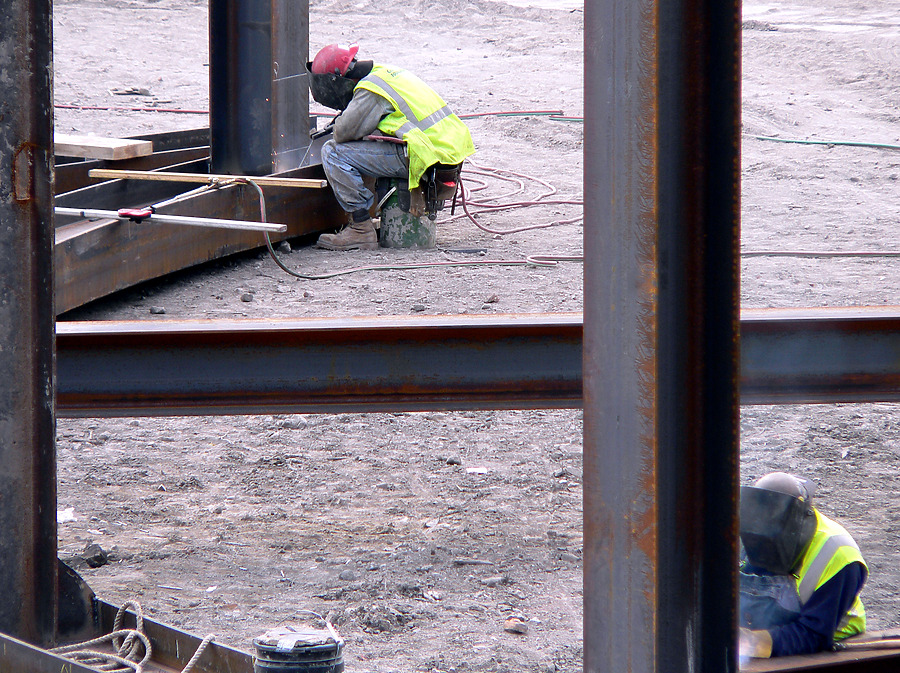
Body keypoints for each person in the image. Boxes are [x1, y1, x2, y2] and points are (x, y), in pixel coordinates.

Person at [306, 43, 476, 251]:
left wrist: (345, 115)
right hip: (446, 151)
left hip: (424, 155)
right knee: (369, 142)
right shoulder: (386, 73)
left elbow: (342, 133)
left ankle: (360, 229)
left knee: (333, 152)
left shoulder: (370, 90)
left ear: (336, 81)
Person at [738, 471, 867, 658]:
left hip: (824, 637)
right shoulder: (744, 530)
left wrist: (751, 643)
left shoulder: (838, 553)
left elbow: (814, 634)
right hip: (770, 629)